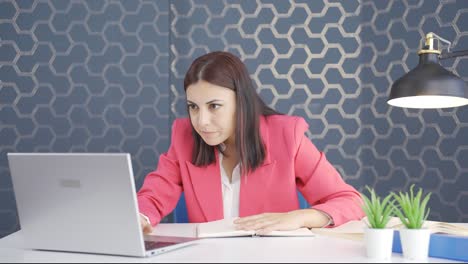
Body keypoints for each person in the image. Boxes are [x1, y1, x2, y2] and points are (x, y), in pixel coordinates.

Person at [137, 51, 364, 234]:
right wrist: (139, 217)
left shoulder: (286, 135)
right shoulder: (184, 136)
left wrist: (297, 218)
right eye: (193, 107)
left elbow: (350, 201)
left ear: (241, 102)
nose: (201, 121)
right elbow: (153, 196)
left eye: (214, 106)